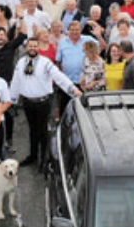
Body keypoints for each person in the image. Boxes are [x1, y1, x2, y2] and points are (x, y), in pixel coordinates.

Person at [10, 38, 81, 167]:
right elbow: (16, 81)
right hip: (28, 103)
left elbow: (58, 77)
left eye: (35, 46)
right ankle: (33, 156)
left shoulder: (45, 63)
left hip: (43, 103)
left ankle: (45, 158)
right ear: (26, 48)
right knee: (32, 130)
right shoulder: (21, 63)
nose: (32, 48)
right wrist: (12, 100)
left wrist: (72, 89)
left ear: (39, 48)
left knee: (43, 131)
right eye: (30, 46)